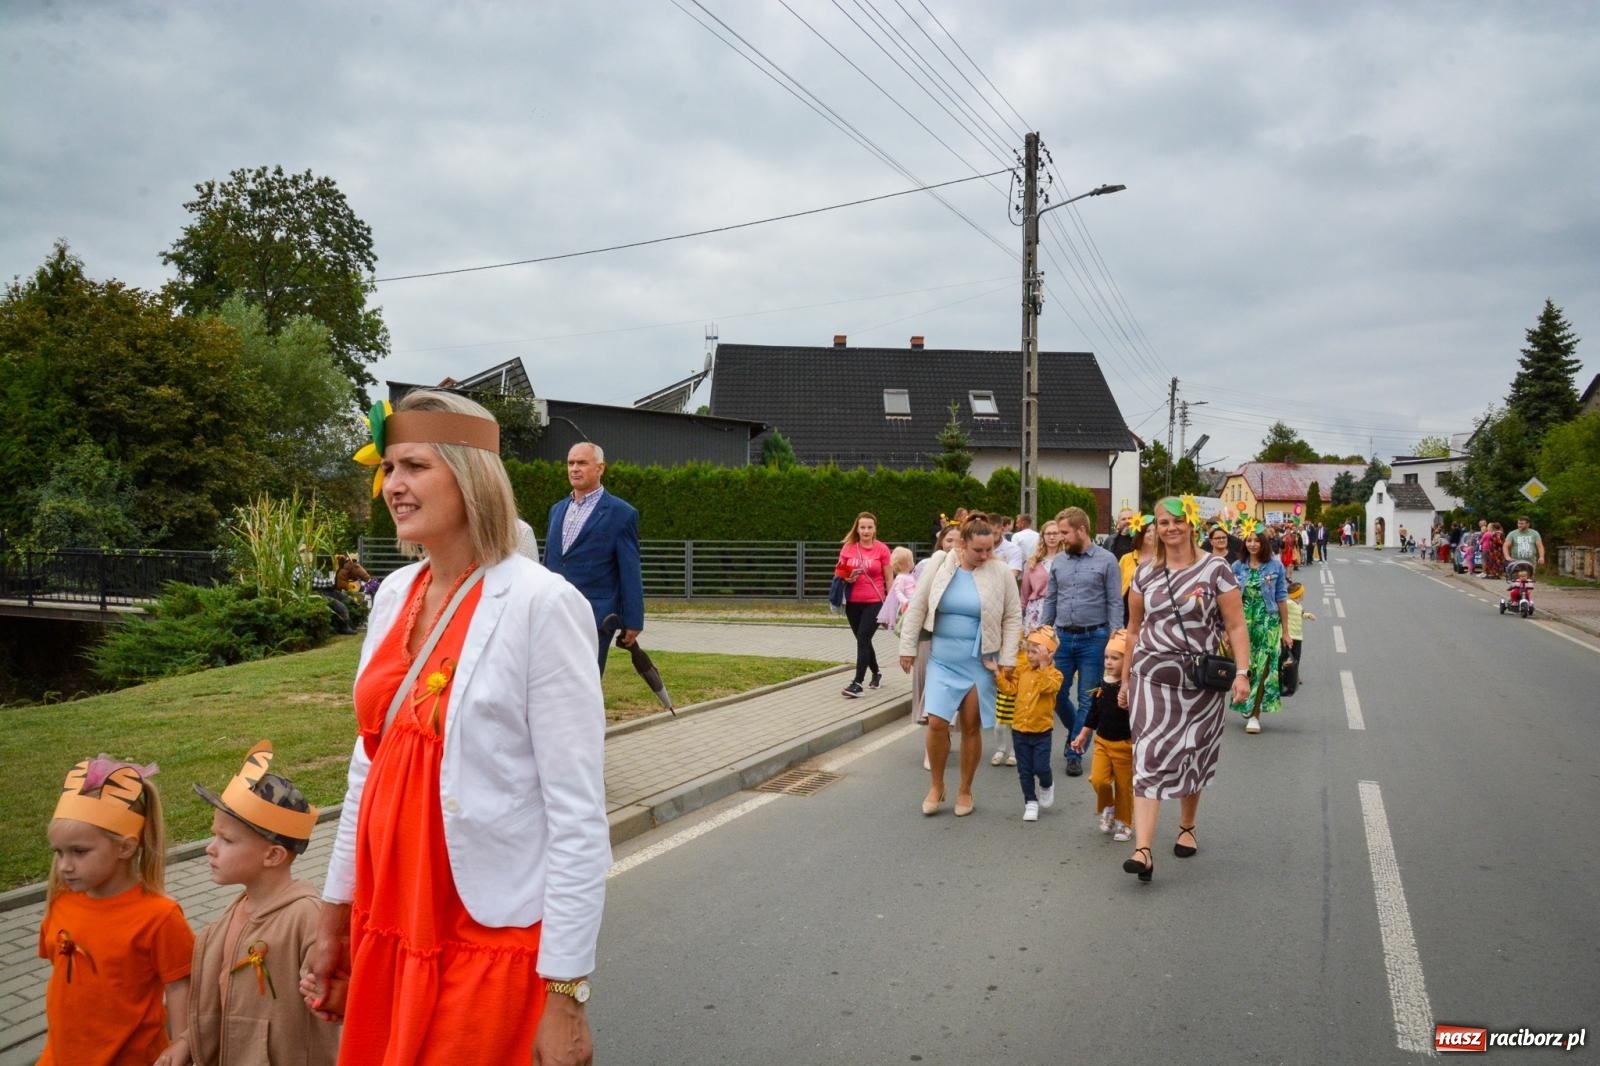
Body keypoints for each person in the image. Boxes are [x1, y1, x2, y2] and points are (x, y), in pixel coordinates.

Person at [314, 389, 609, 1065]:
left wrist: (566, 992)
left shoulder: (542, 604)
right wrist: (334, 914)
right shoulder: (393, 594)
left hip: (481, 932)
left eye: (416, 466)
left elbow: (577, 812)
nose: (394, 485)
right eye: (389, 468)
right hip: (387, 915)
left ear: (472, 476)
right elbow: (366, 769)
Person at [168, 742, 338, 1066]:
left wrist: (330, 991)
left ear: (272, 855)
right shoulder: (231, 916)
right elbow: (223, 1001)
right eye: (214, 835)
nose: (210, 848)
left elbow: (340, 988)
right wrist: (188, 1041)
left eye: (226, 840)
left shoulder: (307, 917)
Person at [1118, 497, 1252, 884]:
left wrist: (1242, 673)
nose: (1171, 528)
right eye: (1163, 522)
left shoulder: (1216, 569)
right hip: (1150, 678)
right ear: (1155, 529)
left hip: (1199, 682)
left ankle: (1187, 826)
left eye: (1178, 521)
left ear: (1191, 524)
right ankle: (1143, 850)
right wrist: (1125, 680)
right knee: (1148, 756)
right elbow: (1133, 630)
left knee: (1193, 753)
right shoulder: (1144, 573)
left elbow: (1236, 625)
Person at [40, 757, 193, 1066]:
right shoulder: (62, 902)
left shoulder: (160, 916)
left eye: (79, 852)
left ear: (125, 847)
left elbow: (180, 985)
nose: (65, 865)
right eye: (59, 852)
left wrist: (183, 1042)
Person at [898, 513, 1022, 818]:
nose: (985, 555)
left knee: (970, 725)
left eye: (990, 549)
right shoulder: (941, 563)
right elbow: (919, 604)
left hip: (979, 661)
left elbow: (1012, 616)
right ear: (962, 544)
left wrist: (1007, 659)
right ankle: (936, 786)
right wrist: (907, 648)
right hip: (942, 659)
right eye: (978, 549)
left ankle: (965, 789)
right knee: (936, 723)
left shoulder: (1000, 572)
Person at [544, 441, 644, 674]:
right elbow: (550, 562)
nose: (574, 469)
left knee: (585, 682)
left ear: (600, 468)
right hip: (554, 613)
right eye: (570, 463)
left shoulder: (621, 514)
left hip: (595, 617)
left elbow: (630, 571)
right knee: (552, 681)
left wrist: (633, 620)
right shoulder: (557, 510)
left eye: (582, 463)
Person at [1040, 506, 1123, 777]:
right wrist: (1043, 632)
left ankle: (1074, 751)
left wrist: (1116, 637)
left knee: (1088, 698)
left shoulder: (1107, 560)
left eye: (1065, 532)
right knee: (1055, 693)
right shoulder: (1059, 561)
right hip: (1063, 637)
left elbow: (1114, 601)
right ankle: (1078, 728)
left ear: (1082, 530)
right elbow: (1051, 598)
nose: (1061, 538)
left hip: (1095, 638)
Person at [995, 626, 1064, 822]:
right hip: (1019, 730)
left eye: (1035, 652)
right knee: (1024, 770)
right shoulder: (1022, 671)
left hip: (1041, 732)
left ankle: (1046, 784)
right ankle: (1030, 802)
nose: (1030, 656)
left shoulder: (1055, 675)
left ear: (1049, 654)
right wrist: (997, 674)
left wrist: (1043, 666)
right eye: (1029, 651)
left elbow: (1046, 687)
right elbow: (1010, 690)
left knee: (1041, 768)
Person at [1072, 629, 1134, 841]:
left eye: (1115, 658)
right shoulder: (1103, 682)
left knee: (1124, 787)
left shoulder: (1132, 686)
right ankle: (1109, 806)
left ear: (1128, 661)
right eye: (1107, 657)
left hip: (1124, 745)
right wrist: (1083, 734)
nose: (1108, 662)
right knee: (1098, 780)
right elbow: (1094, 712)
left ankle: (1124, 822)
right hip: (1102, 742)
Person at [1231, 530, 1291, 733]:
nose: (1253, 544)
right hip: (1243, 622)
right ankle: (1247, 701)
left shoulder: (1276, 566)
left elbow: (1281, 598)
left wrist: (1286, 631)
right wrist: (1225, 628)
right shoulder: (1237, 566)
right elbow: (1229, 599)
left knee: (1265, 667)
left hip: (1268, 622)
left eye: (1257, 540)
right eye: (1249, 540)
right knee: (1246, 666)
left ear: (1264, 543)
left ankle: (1255, 715)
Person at [836, 512, 893, 698]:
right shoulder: (848, 548)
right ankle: (876, 673)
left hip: (874, 602)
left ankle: (857, 683)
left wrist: (891, 604)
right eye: (862, 527)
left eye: (869, 527)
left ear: (875, 529)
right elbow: (839, 571)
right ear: (857, 529)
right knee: (864, 640)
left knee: (862, 638)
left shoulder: (882, 549)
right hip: (852, 602)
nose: (866, 531)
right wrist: (848, 577)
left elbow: (889, 578)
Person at [1021, 519, 1063, 631]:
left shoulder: (1068, 560)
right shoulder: (1033, 562)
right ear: (1043, 536)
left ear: (1061, 536)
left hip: (1060, 608)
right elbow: (1025, 593)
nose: (1052, 537)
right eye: (1048, 534)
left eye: (1055, 533)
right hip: (1036, 611)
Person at [876, 546, 916, 630]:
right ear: (906, 563)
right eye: (911, 560)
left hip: (913, 603)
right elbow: (898, 591)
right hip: (907, 605)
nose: (913, 562)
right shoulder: (901, 577)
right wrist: (905, 601)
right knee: (909, 626)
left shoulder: (910, 576)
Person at [1284, 582, 1317, 685]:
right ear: (1298, 594)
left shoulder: (1299, 605)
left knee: (1296, 657)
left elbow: (1301, 614)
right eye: (1302, 592)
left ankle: (1294, 676)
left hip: (1298, 636)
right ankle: (1286, 677)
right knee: (1288, 657)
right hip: (1289, 636)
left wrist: (1308, 615)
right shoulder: (1288, 603)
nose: (1304, 594)